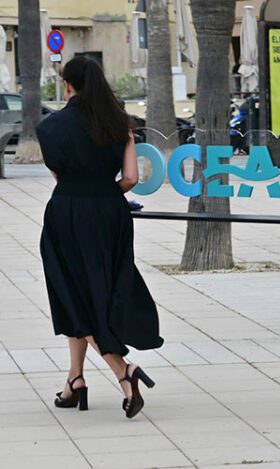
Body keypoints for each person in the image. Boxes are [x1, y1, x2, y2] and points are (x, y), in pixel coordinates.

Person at [37, 56, 162, 419]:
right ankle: (74, 381)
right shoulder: (118, 123)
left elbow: (60, 178)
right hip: (111, 213)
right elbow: (131, 179)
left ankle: (124, 371)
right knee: (93, 290)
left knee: (73, 293)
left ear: (68, 85)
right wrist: (106, 193)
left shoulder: (51, 128)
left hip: (69, 213)